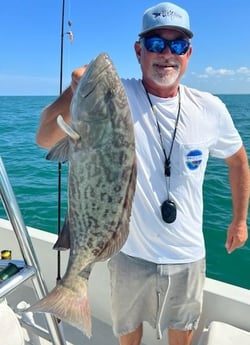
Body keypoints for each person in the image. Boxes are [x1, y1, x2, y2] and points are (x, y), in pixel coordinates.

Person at [36, 2, 249, 345]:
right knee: (127, 335)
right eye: (155, 44)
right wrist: (73, 94)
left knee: (182, 335)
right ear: (139, 51)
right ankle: (73, 289)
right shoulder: (116, 95)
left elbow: (238, 160)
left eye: (177, 44)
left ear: (189, 53)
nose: (166, 53)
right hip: (128, 254)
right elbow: (45, 138)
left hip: (187, 257)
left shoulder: (210, 108)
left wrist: (240, 220)